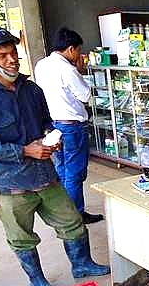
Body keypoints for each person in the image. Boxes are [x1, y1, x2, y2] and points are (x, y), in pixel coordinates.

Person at [0, 26, 109, 286]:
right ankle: (38, 281)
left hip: (45, 176)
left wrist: (50, 137)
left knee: (72, 222)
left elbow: (46, 123)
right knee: (21, 237)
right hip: (12, 185)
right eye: (2, 56)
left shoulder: (31, 89)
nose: (11, 60)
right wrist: (25, 151)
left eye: (13, 54)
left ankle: (81, 264)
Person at [34, 27, 104, 224]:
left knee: (62, 170)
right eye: (78, 50)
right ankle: (76, 215)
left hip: (53, 126)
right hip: (72, 126)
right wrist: (80, 72)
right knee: (75, 172)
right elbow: (85, 95)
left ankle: (65, 213)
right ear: (71, 48)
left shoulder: (42, 64)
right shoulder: (68, 69)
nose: (79, 55)